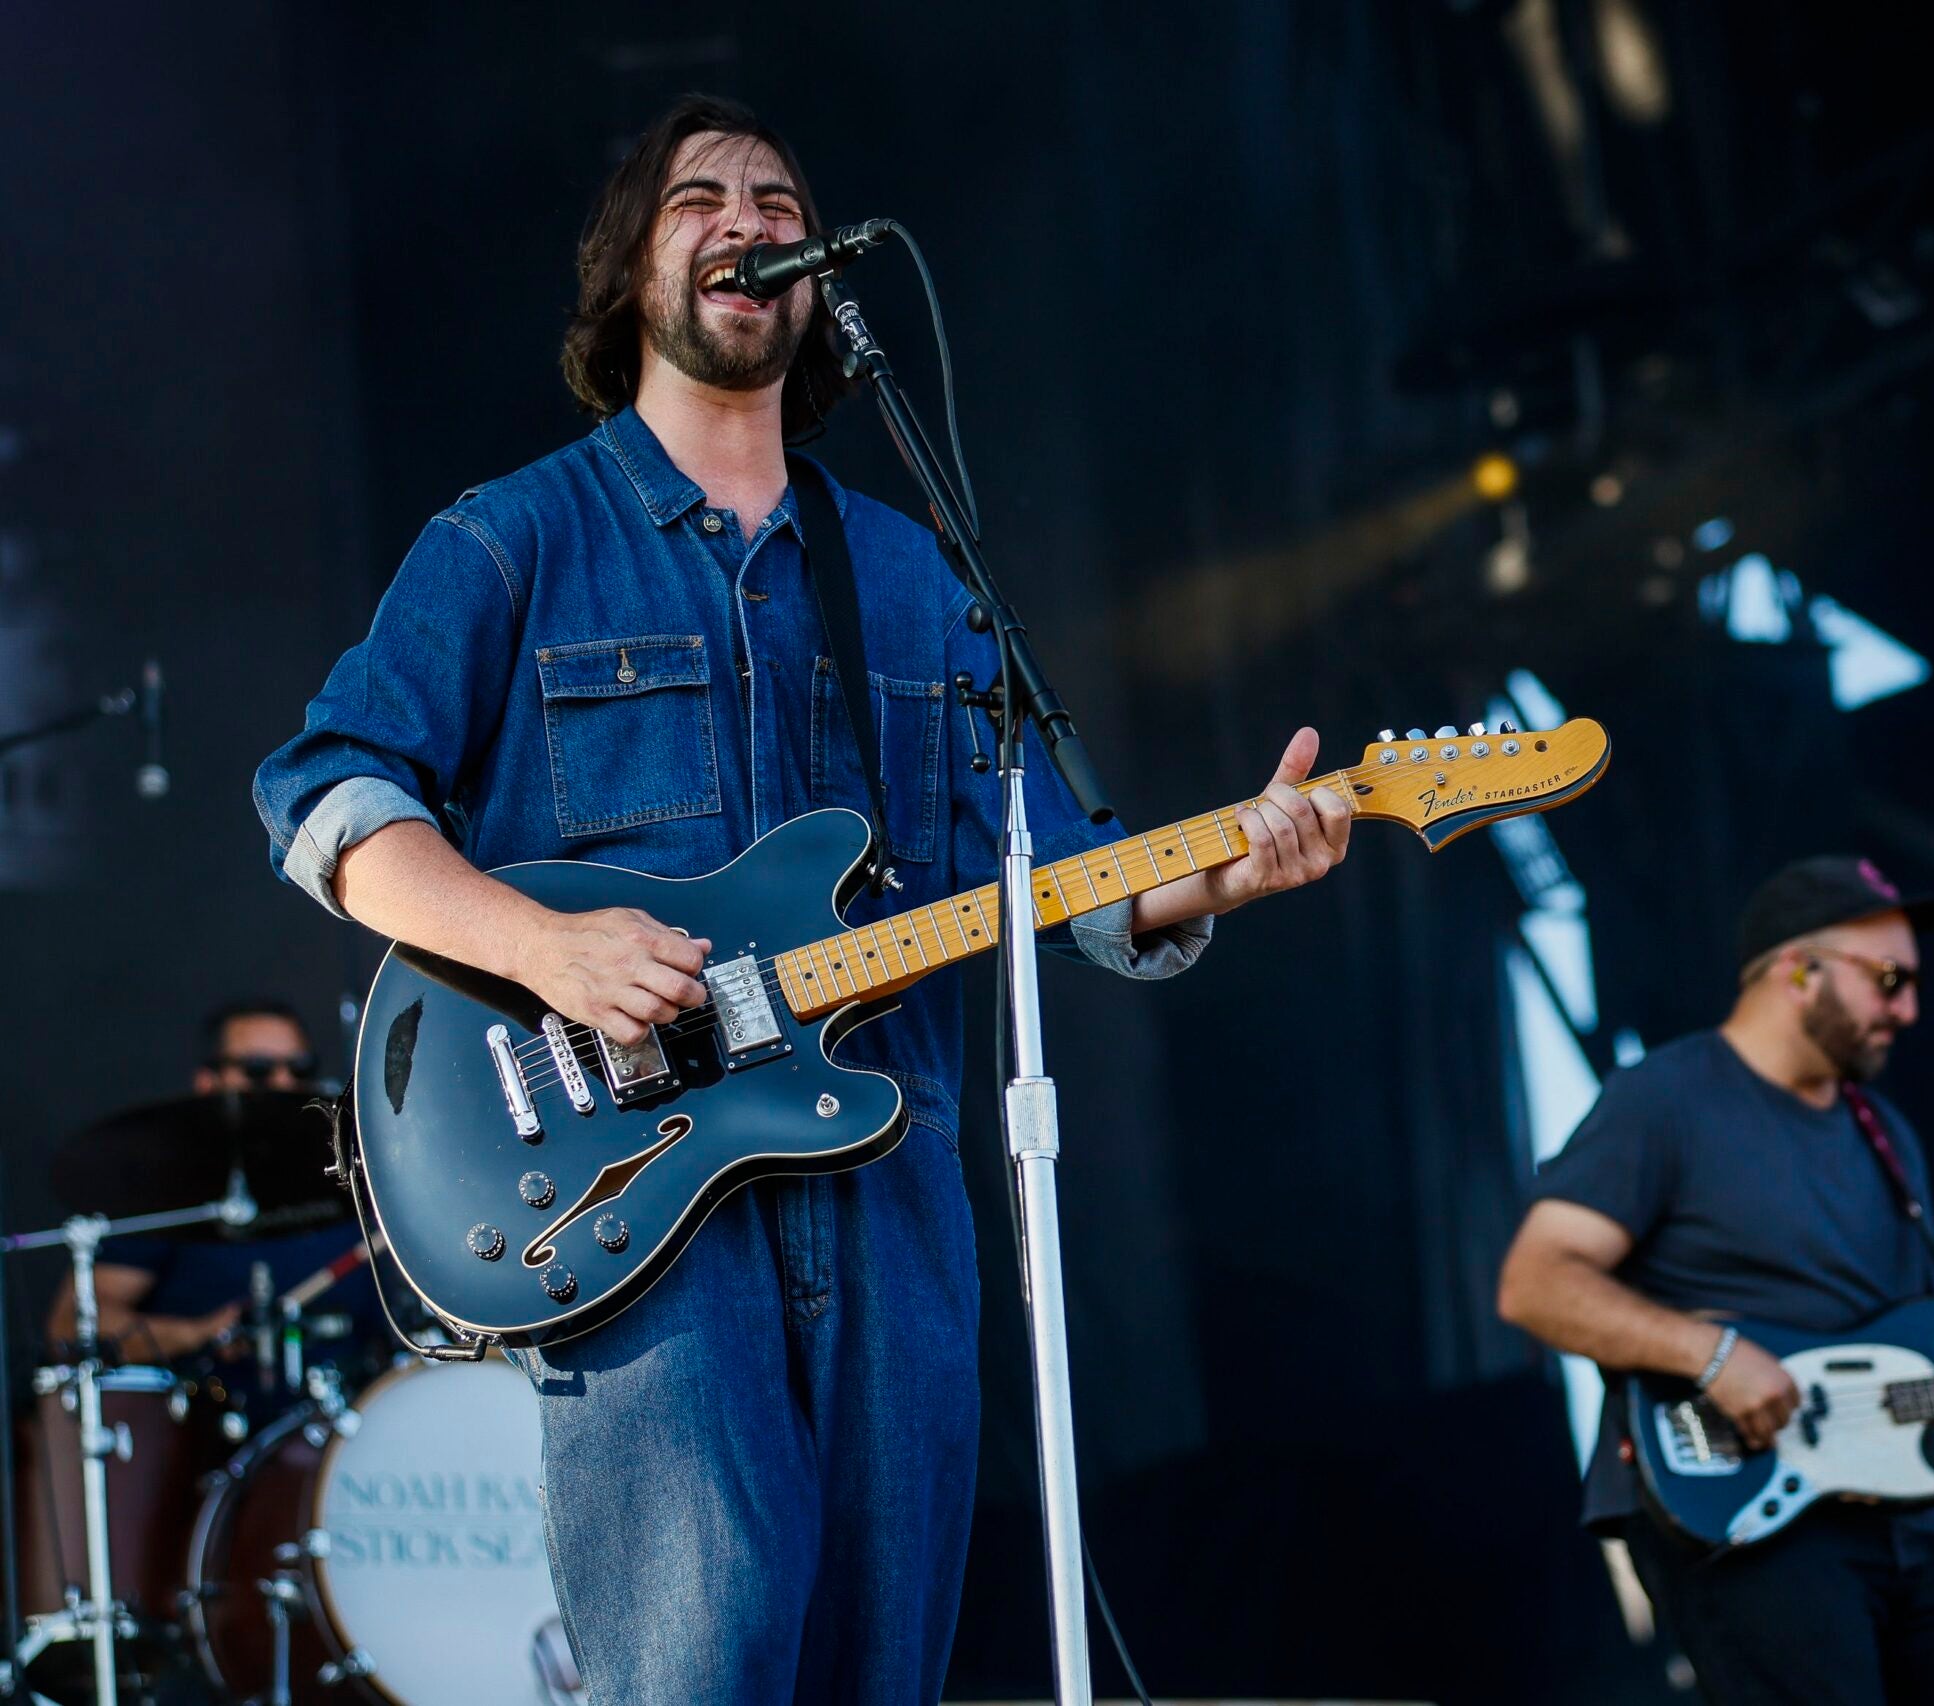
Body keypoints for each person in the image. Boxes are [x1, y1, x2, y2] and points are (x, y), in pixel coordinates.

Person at [251, 93, 1348, 1705]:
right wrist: (542, 946)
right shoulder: (512, 539)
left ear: (820, 275)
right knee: (699, 1668)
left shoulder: (916, 570)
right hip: (639, 1215)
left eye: (776, 196)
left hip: (892, 1187)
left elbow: (1065, 874)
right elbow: (328, 795)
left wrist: (1233, 861)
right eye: (698, 198)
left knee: (878, 1674)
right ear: (635, 269)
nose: (745, 216)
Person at [1496, 855, 1934, 1706]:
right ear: (1796, 971)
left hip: (1904, 1511)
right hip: (1738, 1507)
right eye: (1889, 980)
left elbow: (1925, 1338)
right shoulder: (1664, 1098)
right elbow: (1537, 1282)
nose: (1908, 1010)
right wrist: (1712, 1355)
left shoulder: (1885, 1133)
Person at [43, 1000, 379, 1366]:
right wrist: (202, 1333)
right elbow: (71, 1324)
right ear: (208, 1082)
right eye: (258, 1070)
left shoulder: (353, 1170)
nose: (284, 1084)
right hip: (205, 1412)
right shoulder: (170, 1187)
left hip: (356, 1406)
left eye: (299, 1069)